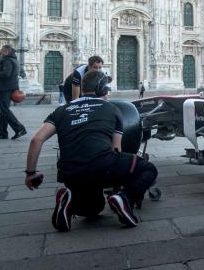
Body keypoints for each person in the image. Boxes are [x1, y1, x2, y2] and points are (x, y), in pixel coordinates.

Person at [23, 70, 158, 232]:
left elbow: (36, 140)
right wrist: (122, 189)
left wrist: (30, 173)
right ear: (103, 90)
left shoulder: (62, 110)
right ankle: (124, 199)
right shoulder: (112, 109)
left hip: (70, 173)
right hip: (103, 165)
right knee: (149, 169)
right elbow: (116, 149)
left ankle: (70, 201)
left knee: (94, 208)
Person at [0, 45, 27, 140]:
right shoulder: (13, 60)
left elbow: (6, 74)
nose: (0, 53)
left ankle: (20, 128)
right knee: (3, 111)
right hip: (8, 87)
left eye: (2, 51)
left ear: (6, 52)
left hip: (5, 88)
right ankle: (3, 133)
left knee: (4, 110)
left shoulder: (7, 61)